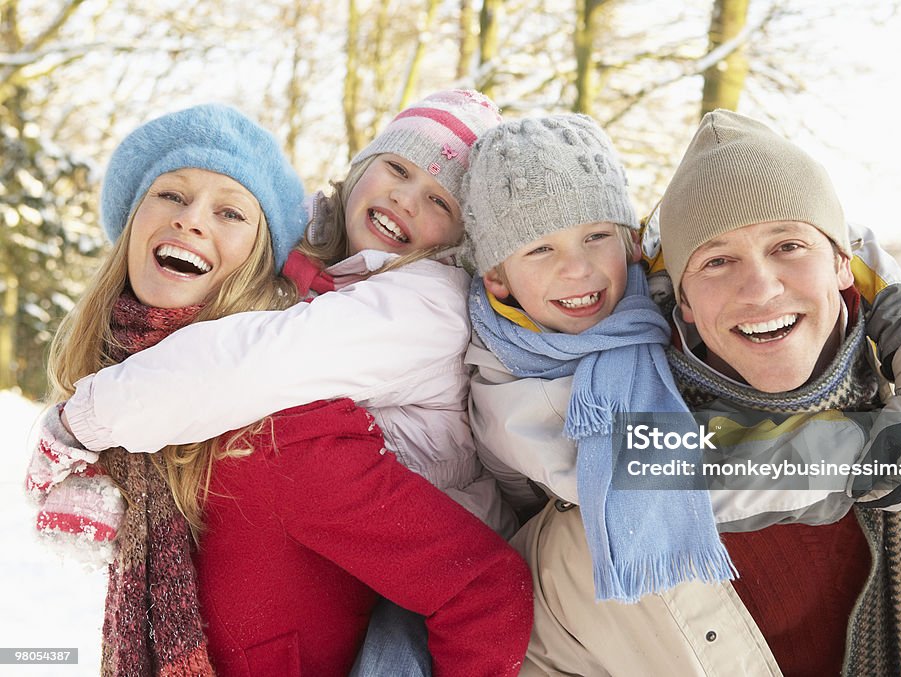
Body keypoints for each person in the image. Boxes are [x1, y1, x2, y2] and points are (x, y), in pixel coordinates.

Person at [461, 110, 901, 675]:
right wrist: (879, 461)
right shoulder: (564, 431)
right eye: (718, 261)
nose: (761, 288)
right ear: (683, 298)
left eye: (789, 247)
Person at [24, 103, 532, 676]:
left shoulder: (407, 314)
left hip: (435, 542)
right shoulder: (317, 295)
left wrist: (81, 423)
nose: (408, 199)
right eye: (397, 169)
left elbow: (255, 361)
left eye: (441, 200)